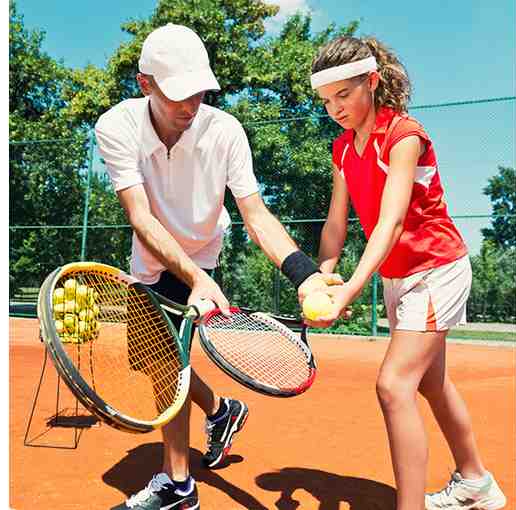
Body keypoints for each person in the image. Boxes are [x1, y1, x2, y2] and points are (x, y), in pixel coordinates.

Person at [95, 23, 339, 510]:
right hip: (153, 256)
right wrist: (192, 278)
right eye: (178, 94)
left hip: (202, 253)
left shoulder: (225, 131)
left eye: (200, 92)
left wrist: (305, 273)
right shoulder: (116, 126)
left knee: (168, 366)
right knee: (155, 364)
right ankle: (222, 410)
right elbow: (140, 215)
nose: (191, 105)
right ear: (145, 84)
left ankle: (178, 486)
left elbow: (256, 215)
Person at [304, 36, 507, 510]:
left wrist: (350, 291)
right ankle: (476, 482)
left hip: (436, 269)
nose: (335, 109)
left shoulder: (403, 135)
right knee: (430, 383)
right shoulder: (342, 149)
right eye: (327, 100)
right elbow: (336, 224)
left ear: (372, 82)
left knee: (394, 385)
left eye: (344, 95)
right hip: (399, 275)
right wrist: (322, 276)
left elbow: (392, 221)